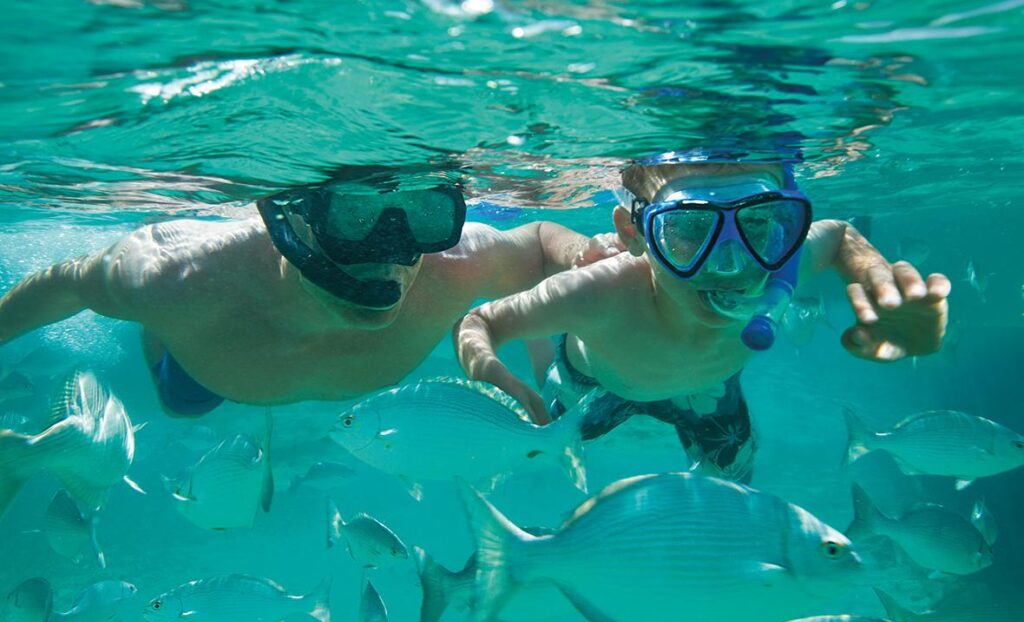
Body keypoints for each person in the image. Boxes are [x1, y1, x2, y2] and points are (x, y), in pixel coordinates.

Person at [455, 154, 951, 483]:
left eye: (759, 223)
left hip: (712, 393)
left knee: (733, 501)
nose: (732, 267)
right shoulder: (595, 293)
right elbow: (481, 322)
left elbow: (839, 236)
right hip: (594, 384)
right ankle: (544, 323)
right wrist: (488, 367)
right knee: (553, 440)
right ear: (635, 233)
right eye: (690, 230)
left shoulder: (780, 265)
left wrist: (880, 283)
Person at [0, 167, 604, 416]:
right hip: (204, 371)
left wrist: (587, 255)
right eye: (353, 216)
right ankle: (155, 341)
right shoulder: (174, 279)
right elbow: (65, 283)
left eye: (424, 214)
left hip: (244, 367)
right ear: (290, 220)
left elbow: (540, 238)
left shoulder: (458, 264)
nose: (391, 257)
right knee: (180, 407)